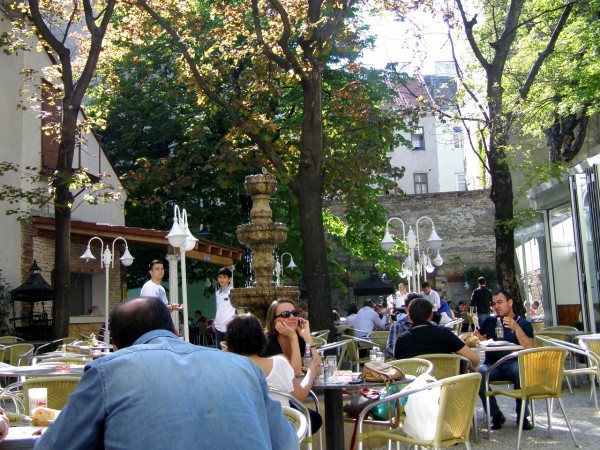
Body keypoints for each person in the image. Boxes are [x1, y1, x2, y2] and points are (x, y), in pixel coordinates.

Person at [34, 297, 296, 449]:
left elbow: (54, 447)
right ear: (174, 334)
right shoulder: (245, 370)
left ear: (115, 348)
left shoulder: (108, 371)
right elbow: (286, 444)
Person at [226, 314, 323, 434]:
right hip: (280, 431)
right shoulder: (279, 363)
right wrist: (311, 373)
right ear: (261, 338)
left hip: (245, 430)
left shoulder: (227, 369)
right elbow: (300, 396)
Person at [474, 290, 534, 431]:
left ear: (510, 302)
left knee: (520, 370)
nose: (496, 307)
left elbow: (530, 347)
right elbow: (478, 338)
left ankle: (522, 416)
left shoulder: (523, 323)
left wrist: (516, 328)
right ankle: (496, 414)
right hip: (492, 364)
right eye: (494, 304)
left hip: (513, 363)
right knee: (478, 375)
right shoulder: (490, 321)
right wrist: (479, 339)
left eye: (500, 302)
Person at [393, 298, 480, 372]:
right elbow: (475, 359)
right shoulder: (444, 333)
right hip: (447, 387)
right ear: (431, 316)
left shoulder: (402, 340)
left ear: (409, 317)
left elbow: (398, 367)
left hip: (415, 388)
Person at [263, 298, 316, 376]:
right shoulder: (267, 341)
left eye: (294, 313)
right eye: (285, 314)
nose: (292, 317)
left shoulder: (300, 337)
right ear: (274, 320)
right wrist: (293, 336)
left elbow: (319, 367)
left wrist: (308, 337)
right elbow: (295, 373)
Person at [213, 266, 235, 348]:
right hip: (218, 328)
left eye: (225, 277)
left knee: (230, 353)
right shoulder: (217, 293)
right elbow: (219, 308)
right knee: (220, 354)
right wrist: (214, 321)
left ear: (229, 279)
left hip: (229, 329)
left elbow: (239, 310)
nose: (222, 279)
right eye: (220, 277)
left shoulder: (233, 292)